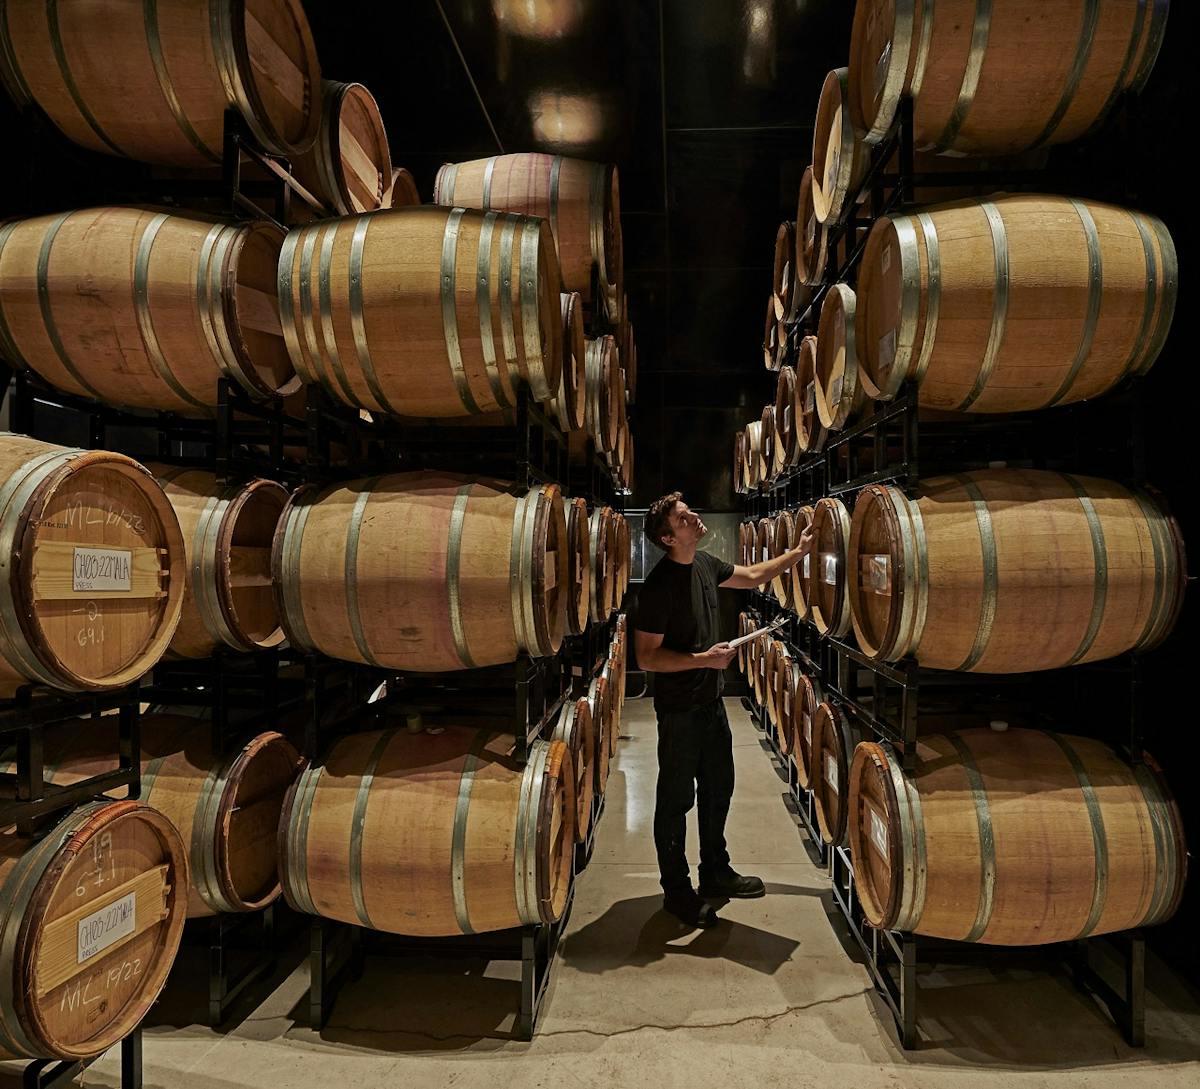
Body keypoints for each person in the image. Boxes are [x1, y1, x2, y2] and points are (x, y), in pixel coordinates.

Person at [634, 492, 811, 928]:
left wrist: (799, 552)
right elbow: (647, 658)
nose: (693, 517)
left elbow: (752, 576)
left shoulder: (705, 565)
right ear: (667, 536)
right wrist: (703, 660)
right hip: (679, 711)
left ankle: (715, 871)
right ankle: (677, 891)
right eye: (683, 517)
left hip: (711, 705)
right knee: (676, 801)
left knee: (719, 790)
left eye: (688, 512)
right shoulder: (658, 588)